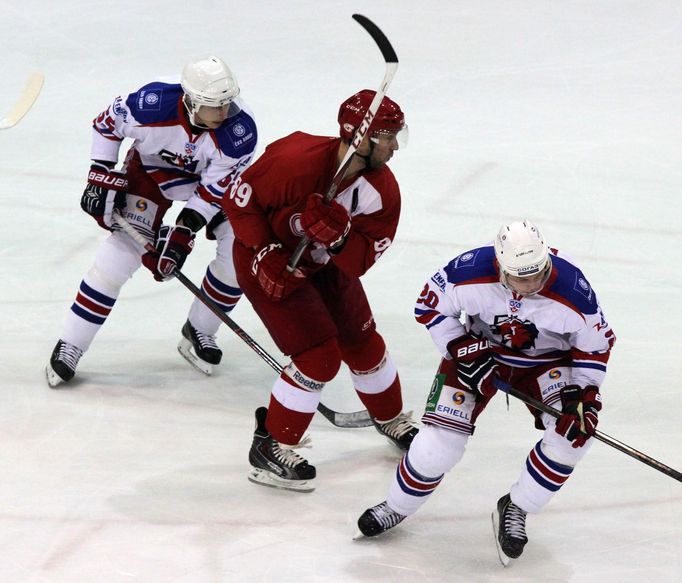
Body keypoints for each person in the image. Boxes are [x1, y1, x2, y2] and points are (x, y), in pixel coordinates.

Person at [356, 220, 616, 564]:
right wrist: (463, 347)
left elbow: (594, 348)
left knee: (571, 439)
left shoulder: (573, 292)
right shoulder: (470, 271)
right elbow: (429, 306)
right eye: (520, 277)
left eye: (537, 275)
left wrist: (584, 397)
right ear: (500, 267)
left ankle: (517, 506)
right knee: (437, 447)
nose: (530, 285)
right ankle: (396, 506)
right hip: (480, 352)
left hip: (546, 362)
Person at [221, 89, 419, 492]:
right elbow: (238, 202)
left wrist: (342, 238)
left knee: (363, 342)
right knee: (318, 357)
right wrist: (264, 251)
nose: (395, 146)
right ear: (360, 138)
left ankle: (392, 419)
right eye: (387, 137)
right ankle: (271, 445)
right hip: (270, 261)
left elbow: (361, 261)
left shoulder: (383, 192)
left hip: (327, 265)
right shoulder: (294, 160)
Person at [45, 56, 258, 386]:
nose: (224, 113)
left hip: (206, 186)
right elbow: (105, 125)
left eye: (227, 104)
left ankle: (200, 329)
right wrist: (99, 174)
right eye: (214, 106)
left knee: (240, 252)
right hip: (151, 174)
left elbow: (212, 191)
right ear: (190, 100)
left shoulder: (239, 132)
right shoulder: (150, 104)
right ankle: (71, 344)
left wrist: (183, 233)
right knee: (116, 258)